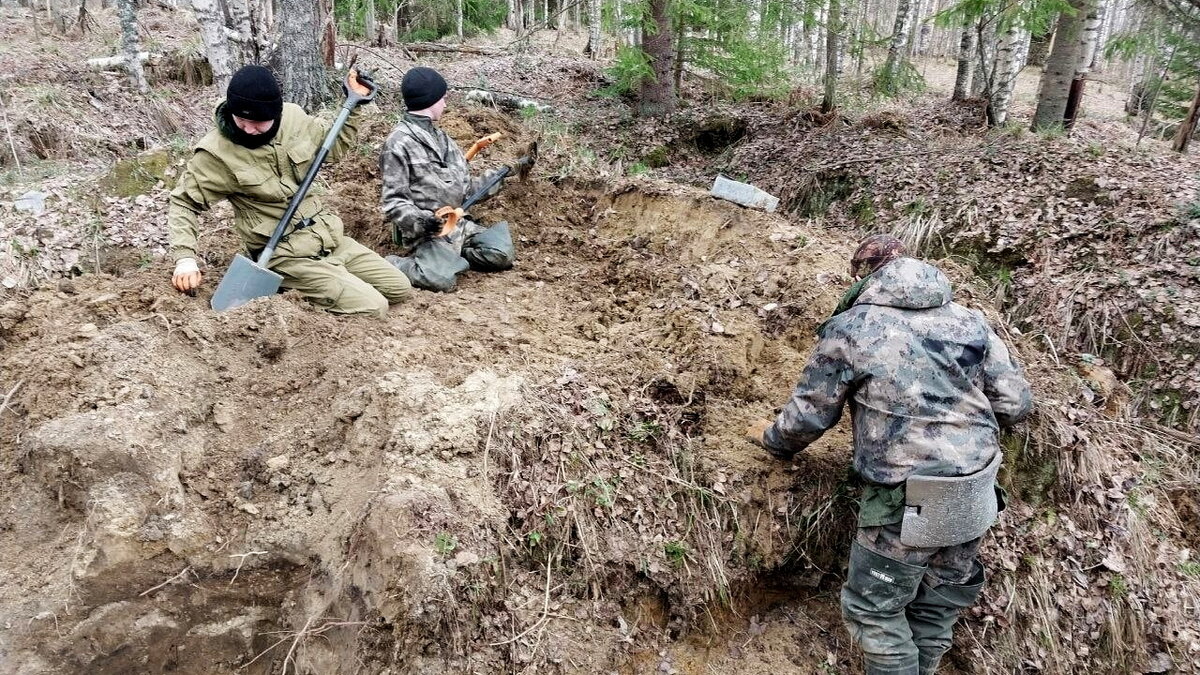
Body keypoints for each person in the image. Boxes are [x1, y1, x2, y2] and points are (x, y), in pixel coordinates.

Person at [745, 235, 1033, 675]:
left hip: (907, 497)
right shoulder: (971, 322)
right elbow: (1015, 405)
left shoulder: (853, 328)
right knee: (934, 611)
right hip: (977, 489)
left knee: (875, 611)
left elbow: (809, 416)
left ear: (865, 277)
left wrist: (773, 442)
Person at [168, 65, 413, 316]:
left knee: (399, 288)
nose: (248, 130)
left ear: (276, 113)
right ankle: (293, 289)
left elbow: (334, 148)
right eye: (241, 121)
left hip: (327, 238)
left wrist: (354, 107)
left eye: (258, 123)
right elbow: (184, 202)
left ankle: (333, 278)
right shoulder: (215, 153)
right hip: (284, 255)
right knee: (374, 306)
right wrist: (185, 258)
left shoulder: (294, 119)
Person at [379, 66, 532, 292]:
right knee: (440, 280)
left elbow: (466, 189)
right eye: (443, 98)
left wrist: (503, 172)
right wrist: (424, 221)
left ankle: (452, 257)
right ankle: (392, 264)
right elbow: (394, 202)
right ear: (430, 100)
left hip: (458, 224)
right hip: (428, 233)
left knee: (501, 253)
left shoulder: (444, 139)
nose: (445, 104)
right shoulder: (398, 143)